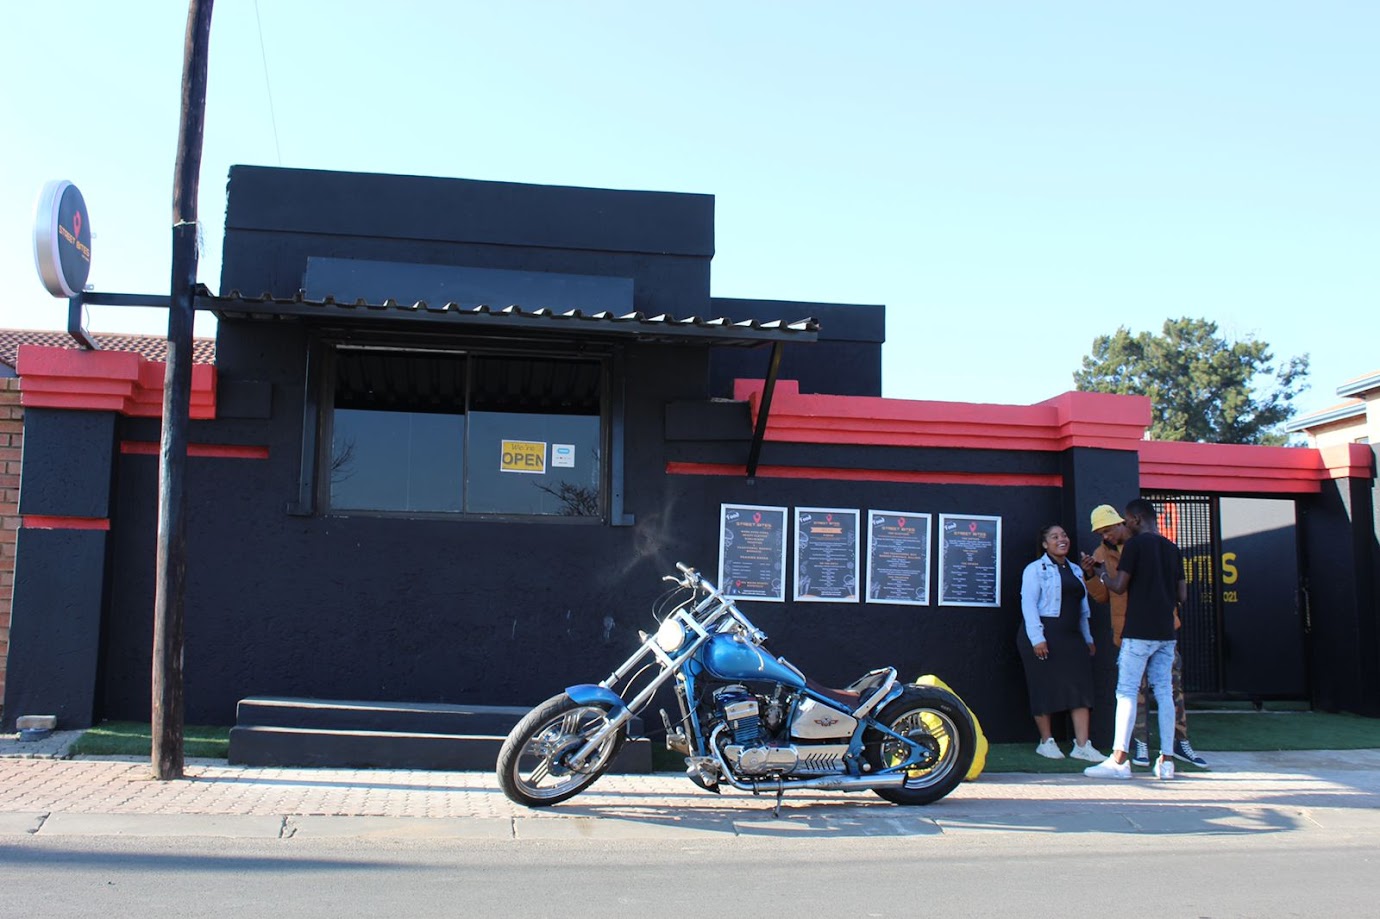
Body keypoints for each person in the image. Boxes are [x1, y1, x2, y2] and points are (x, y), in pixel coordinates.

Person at [1082, 504, 1209, 769]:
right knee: (1161, 692)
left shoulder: (1135, 546)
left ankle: (1120, 759)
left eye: (1110, 529)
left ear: (1129, 521)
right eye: (1101, 533)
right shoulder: (1170, 548)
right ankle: (1164, 758)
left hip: (1138, 630)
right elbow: (1182, 595)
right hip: (1164, 632)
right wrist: (1092, 575)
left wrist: (1103, 574)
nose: (1106, 536)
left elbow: (1118, 587)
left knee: (1130, 692)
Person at [1017, 523, 1102, 762]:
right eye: (1054, 537)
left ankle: (1082, 745)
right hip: (1044, 633)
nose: (1061, 539)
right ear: (1045, 544)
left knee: (1081, 688)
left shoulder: (1075, 570)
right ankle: (1046, 742)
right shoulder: (1035, 569)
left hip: (1072, 636)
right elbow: (1028, 604)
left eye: (1064, 535)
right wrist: (1037, 638)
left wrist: (1088, 637)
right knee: (1043, 686)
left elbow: (1083, 609)